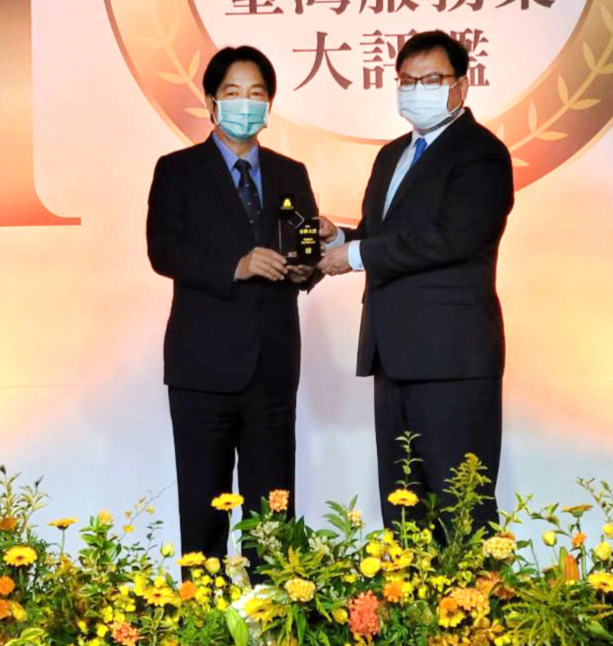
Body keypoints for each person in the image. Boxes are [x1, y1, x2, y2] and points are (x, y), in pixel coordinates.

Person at [318, 30, 514, 533]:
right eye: (407, 80)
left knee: (462, 511)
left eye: (432, 80)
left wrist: (354, 255)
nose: (416, 91)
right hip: (392, 356)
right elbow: (384, 235)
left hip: (452, 360)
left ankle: (475, 590)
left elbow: (454, 238)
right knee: (404, 513)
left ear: (461, 85)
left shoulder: (482, 154)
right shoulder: (392, 155)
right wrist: (337, 238)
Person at [146, 45, 318, 562]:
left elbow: (304, 249)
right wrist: (235, 265)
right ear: (211, 102)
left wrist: (306, 270)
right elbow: (163, 250)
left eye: (256, 94)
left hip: (272, 367)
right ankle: (203, 609)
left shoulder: (291, 172)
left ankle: (274, 610)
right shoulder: (177, 170)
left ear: (270, 104)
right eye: (234, 93)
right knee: (204, 515)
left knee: (273, 518)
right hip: (202, 369)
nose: (246, 103)